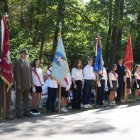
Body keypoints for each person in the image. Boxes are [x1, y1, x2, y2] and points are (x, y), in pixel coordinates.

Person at [14, 49, 33, 118]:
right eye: (24, 54)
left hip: (27, 84)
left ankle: (26, 112)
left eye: (26, 54)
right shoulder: (17, 62)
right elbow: (17, 74)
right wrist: (18, 84)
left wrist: (31, 83)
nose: (26, 55)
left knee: (26, 99)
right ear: (21, 54)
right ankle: (18, 114)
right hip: (20, 85)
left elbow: (30, 74)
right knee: (18, 100)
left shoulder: (28, 62)